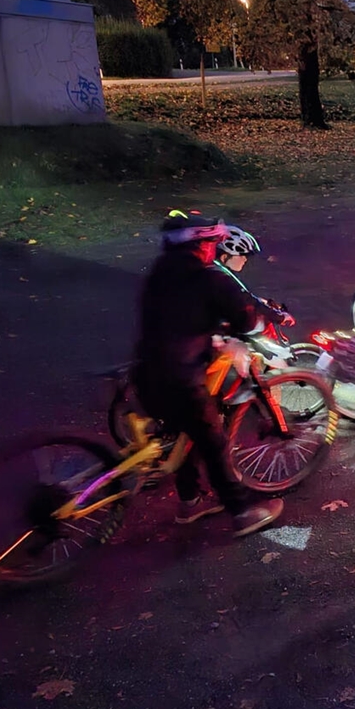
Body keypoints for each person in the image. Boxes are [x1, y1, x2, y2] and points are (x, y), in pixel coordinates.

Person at [131, 210, 283, 535]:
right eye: (212, 243)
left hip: (145, 371)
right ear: (202, 246)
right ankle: (242, 512)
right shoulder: (209, 279)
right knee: (214, 441)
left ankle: (190, 501)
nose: (214, 249)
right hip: (180, 377)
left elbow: (182, 315)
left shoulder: (159, 272)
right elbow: (247, 319)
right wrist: (268, 318)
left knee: (186, 436)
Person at [214, 225, 296, 330]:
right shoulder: (218, 277)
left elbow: (243, 297)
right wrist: (278, 317)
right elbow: (245, 298)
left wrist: (261, 303)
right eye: (242, 255)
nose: (245, 259)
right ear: (225, 257)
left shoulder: (215, 272)